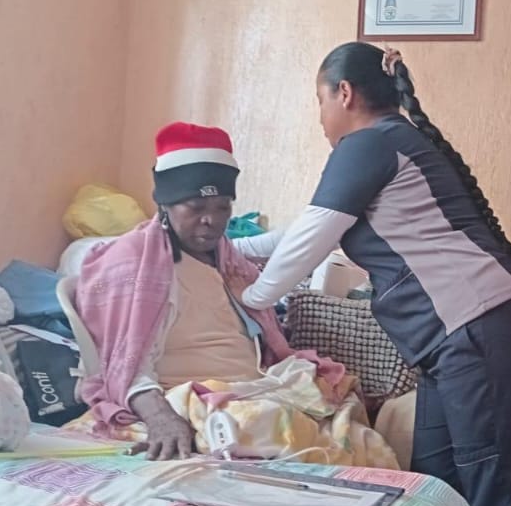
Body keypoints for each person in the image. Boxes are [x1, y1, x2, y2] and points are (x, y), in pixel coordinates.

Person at [239, 42, 511, 506]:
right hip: (462, 339)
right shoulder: (389, 143)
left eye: (320, 101)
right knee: (436, 493)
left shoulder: (370, 143)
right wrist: (231, 250)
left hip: (481, 327)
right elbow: (302, 230)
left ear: (344, 93)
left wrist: (253, 298)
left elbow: (312, 237)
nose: (320, 118)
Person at [70, 122, 393, 468]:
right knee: (268, 424)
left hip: (254, 386)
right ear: (165, 205)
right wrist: (160, 417)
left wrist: (252, 300)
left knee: (354, 424)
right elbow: (125, 365)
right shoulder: (135, 263)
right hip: (187, 393)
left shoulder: (229, 260)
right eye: (196, 207)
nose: (211, 220)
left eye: (222, 207)